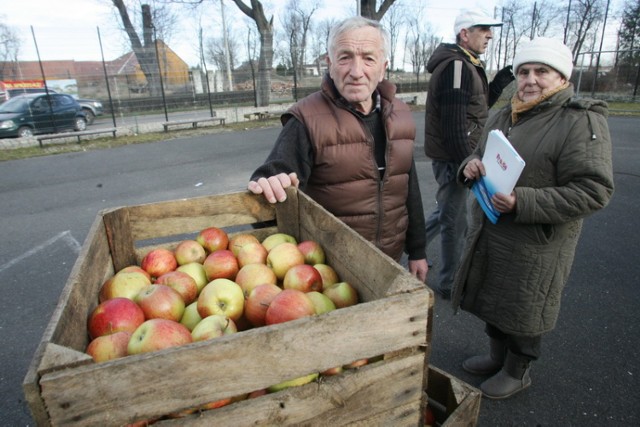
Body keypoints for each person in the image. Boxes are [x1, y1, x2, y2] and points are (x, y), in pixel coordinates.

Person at [454, 37, 614, 399]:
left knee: (525, 307)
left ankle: (517, 370)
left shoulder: (579, 120)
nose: (530, 79)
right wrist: (470, 167)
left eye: (542, 71)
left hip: (536, 242)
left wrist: (522, 202)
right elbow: (476, 155)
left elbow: (594, 190)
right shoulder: (504, 113)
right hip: (492, 232)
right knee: (493, 298)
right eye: (523, 71)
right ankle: (497, 356)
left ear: (561, 77)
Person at [247, 16, 428, 283]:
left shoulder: (400, 114)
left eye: (368, 58)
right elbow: (273, 178)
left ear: (383, 67)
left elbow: (407, 186)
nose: (356, 71)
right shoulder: (306, 119)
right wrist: (269, 184)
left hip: (391, 260)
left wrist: (418, 250)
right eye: (345, 58)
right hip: (329, 271)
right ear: (329, 65)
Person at [424, 8, 515, 299]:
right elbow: (453, 125)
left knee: (446, 212)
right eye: (483, 29)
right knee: (455, 221)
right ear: (465, 33)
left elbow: (477, 106)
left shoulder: (468, 65)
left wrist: (501, 79)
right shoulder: (456, 67)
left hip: (458, 156)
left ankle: (410, 245)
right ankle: (450, 283)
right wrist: (467, 162)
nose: (489, 34)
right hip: (455, 159)